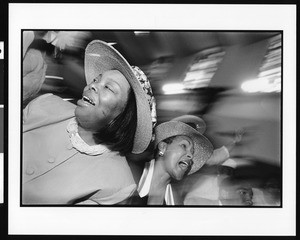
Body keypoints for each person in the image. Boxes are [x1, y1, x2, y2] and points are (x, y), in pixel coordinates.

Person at [22, 39, 157, 205]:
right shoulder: (45, 103)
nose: (92, 85)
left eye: (108, 87)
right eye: (96, 80)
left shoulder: (118, 185)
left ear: (124, 115)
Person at [136, 116, 214, 205]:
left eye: (192, 152)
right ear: (163, 147)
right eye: (184, 146)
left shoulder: (175, 201)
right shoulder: (132, 174)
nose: (191, 155)